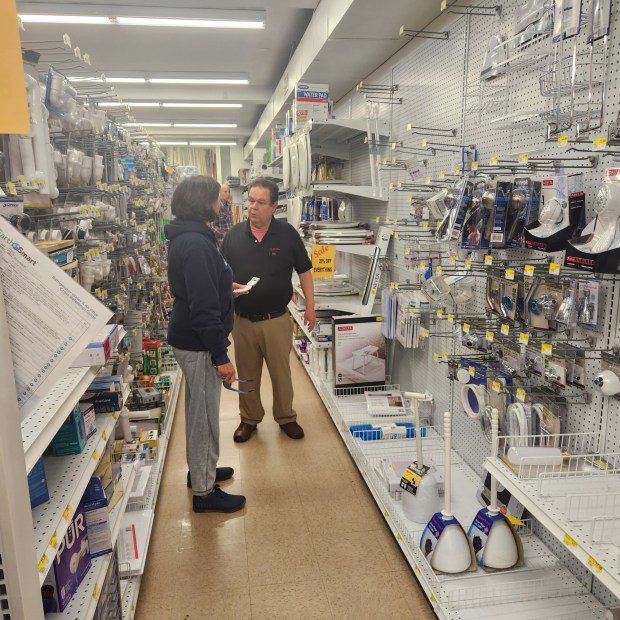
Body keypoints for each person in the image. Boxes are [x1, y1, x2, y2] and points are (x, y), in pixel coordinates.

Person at [165, 175, 247, 513]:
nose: (221, 204)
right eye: (217, 199)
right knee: (203, 417)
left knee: (200, 412)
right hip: (199, 344)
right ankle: (204, 491)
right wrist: (220, 355)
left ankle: (204, 470)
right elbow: (202, 307)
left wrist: (224, 285)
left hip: (193, 339)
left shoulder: (190, 237)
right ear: (203, 203)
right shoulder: (196, 244)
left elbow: (199, 287)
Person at [221, 177, 315, 443]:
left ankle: (286, 417)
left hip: (276, 319)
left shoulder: (287, 235)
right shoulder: (233, 236)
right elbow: (220, 273)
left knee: (281, 373)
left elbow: (305, 270)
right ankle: (249, 419)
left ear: (274, 206)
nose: (253, 207)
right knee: (247, 373)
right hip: (243, 321)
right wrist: (227, 287)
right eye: (250, 200)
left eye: (261, 202)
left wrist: (310, 306)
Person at [211, 182, 234, 246]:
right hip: (221, 242)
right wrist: (226, 235)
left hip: (230, 241)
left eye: (229, 191)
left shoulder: (228, 205)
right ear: (220, 192)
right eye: (225, 191)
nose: (228, 194)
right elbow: (212, 227)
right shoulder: (216, 206)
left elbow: (230, 223)